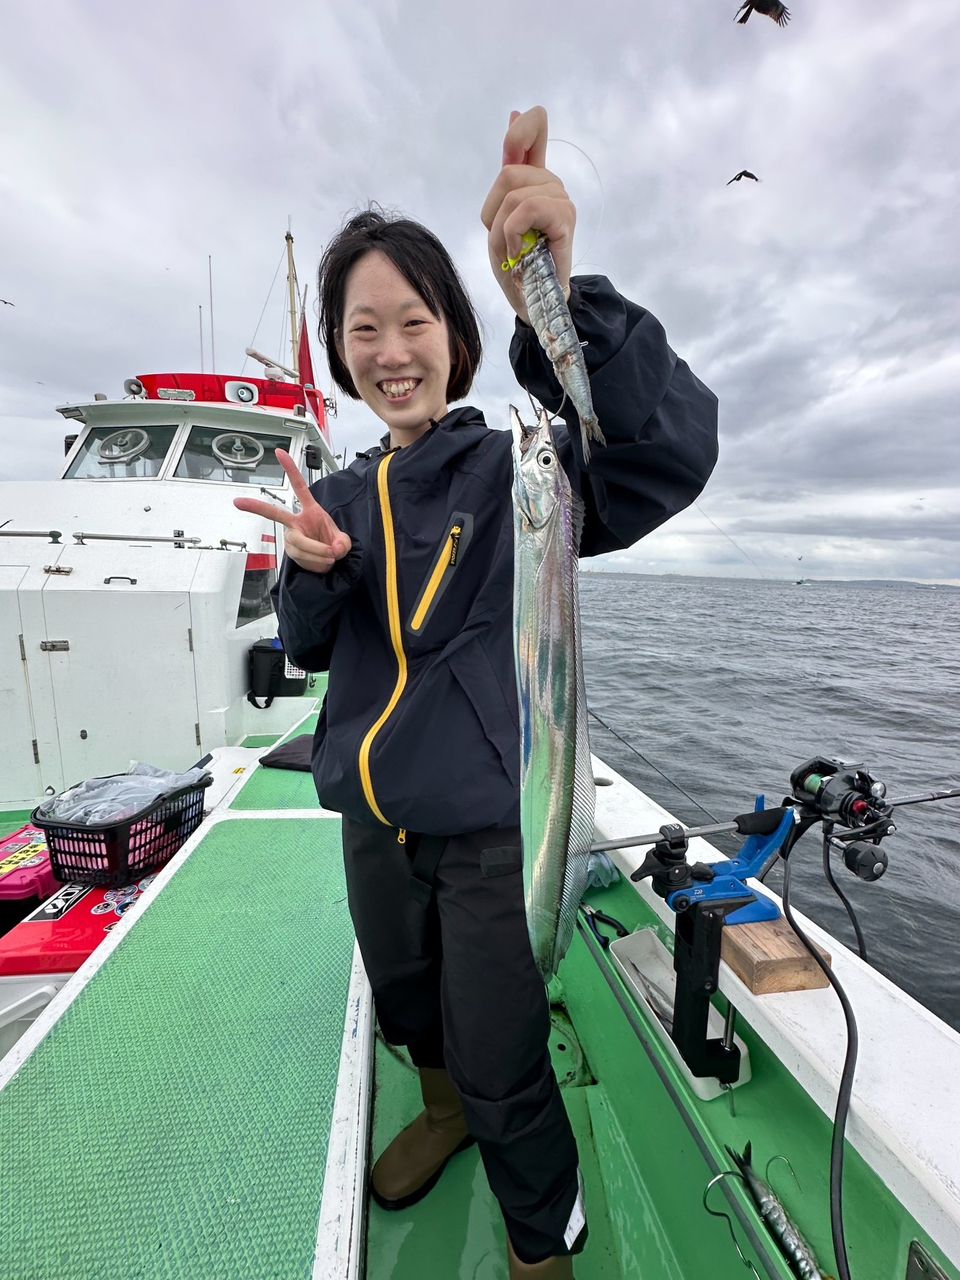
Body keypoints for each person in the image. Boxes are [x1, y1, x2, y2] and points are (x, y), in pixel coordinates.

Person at [235, 106, 719, 1278]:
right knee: (409, 1002)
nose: (390, 349)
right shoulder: (338, 497)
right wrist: (305, 575)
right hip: (373, 821)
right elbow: (304, 652)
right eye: (363, 328)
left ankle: (540, 1245)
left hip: (498, 831)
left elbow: (665, 455)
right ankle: (439, 1109)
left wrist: (561, 300)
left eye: (414, 320)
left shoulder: (522, 471)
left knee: (506, 1054)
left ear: (455, 334)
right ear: (341, 351)